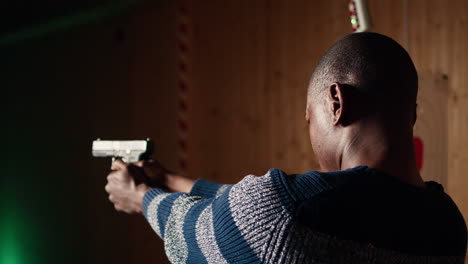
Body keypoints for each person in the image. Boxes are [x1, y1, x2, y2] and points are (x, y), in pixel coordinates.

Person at [104, 32, 467, 263]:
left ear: (336, 102)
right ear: (413, 114)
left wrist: (140, 197)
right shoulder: (449, 226)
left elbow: (197, 229)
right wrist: (169, 178)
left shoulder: (284, 213)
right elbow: (245, 215)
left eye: (310, 118)